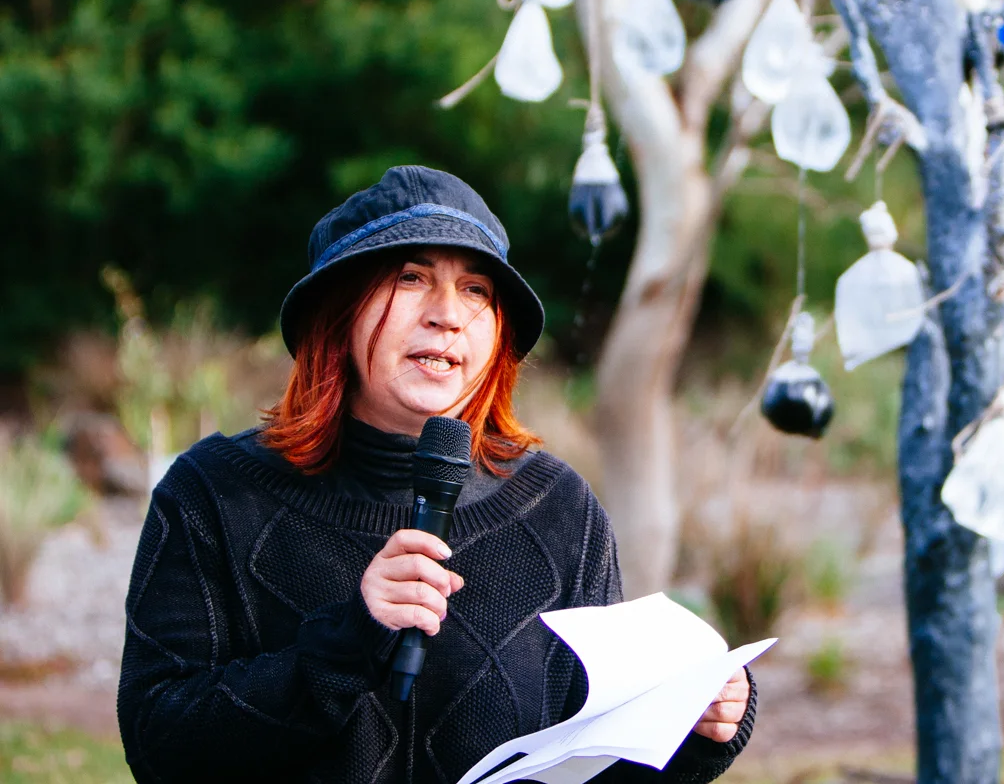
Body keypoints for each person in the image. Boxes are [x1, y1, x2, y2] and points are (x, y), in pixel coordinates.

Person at [116, 166, 755, 783]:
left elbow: (591, 760)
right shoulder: (214, 493)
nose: (448, 314)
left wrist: (694, 729)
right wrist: (345, 645)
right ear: (337, 312)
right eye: (411, 277)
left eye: (477, 290)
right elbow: (157, 744)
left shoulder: (558, 507)